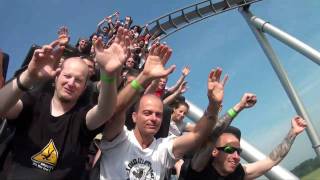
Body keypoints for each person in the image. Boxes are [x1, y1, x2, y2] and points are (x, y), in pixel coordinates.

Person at [0, 27, 131, 179]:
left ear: (84, 88)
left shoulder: (82, 117)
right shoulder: (34, 100)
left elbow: (105, 111)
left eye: (78, 80)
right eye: (67, 76)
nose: (70, 83)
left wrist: (108, 74)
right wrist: (28, 76)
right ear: (56, 78)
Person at [99, 42, 228, 179]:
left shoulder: (164, 148)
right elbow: (114, 111)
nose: (153, 118)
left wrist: (213, 106)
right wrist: (144, 76)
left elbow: (197, 135)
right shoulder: (120, 137)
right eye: (147, 113)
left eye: (158, 115)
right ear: (134, 117)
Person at [180, 116, 307, 180]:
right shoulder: (197, 170)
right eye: (229, 150)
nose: (236, 156)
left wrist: (293, 133)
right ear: (214, 151)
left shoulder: (238, 172)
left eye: (238, 151)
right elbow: (212, 136)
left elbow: (271, 160)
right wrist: (237, 108)